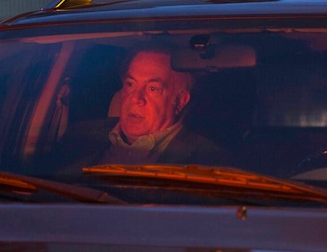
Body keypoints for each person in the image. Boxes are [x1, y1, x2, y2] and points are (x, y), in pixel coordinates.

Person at [54, 43, 223, 171]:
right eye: (130, 84)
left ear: (180, 101)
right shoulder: (79, 135)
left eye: (153, 89)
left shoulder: (210, 160)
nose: (135, 98)